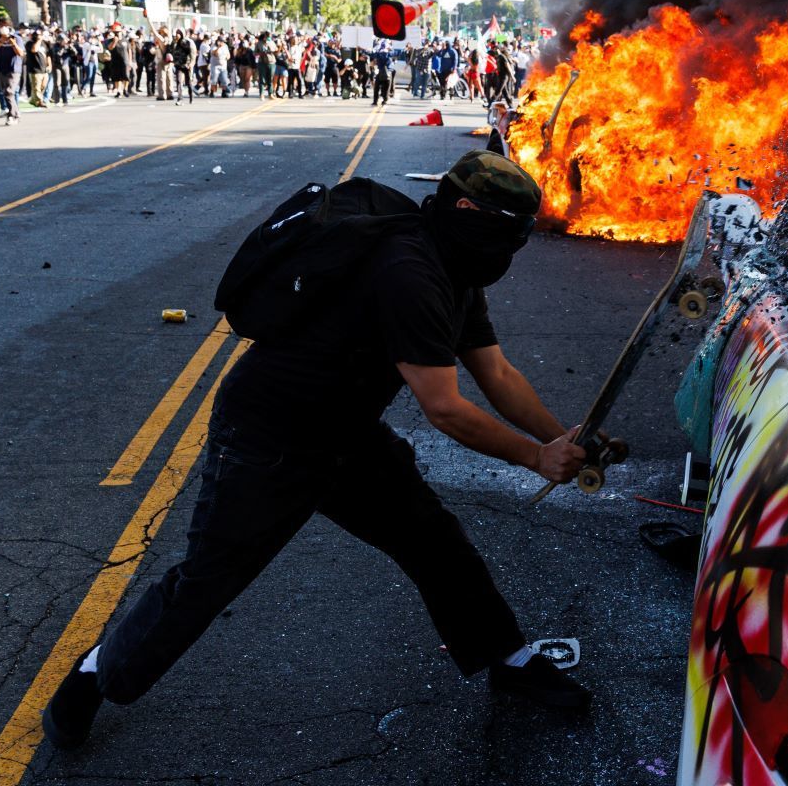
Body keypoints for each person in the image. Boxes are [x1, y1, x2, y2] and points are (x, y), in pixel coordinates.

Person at [42, 150, 593, 752]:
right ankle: (93, 676)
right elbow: (444, 408)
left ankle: (508, 658)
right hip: (268, 436)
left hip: (346, 432)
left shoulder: (456, 266)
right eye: (511, 232)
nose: (513, 248)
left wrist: (561, 438)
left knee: (433, 539)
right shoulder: (408, 270)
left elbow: (498, 373)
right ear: (468, 211)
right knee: (209, 579)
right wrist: (535, 458)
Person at [0, 19, 23, 125]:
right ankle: (16, 113)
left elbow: (21, 53)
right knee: (5, 92)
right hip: (1, 68)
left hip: (14, 68)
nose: (3, 28)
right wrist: (2, 40)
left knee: (9, 91)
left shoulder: (16, 37)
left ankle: (12, 116)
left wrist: (13, 44)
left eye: (5, 25)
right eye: (1, 26)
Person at [370, 40, 394, 105]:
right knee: (386, 88)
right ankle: (385, 100)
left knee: (376, 88)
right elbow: (396, 53)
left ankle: (375, 101)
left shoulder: (378, 54)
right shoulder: (389, 54)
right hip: (387, 73)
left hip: (380, 73)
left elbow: (371, 54)